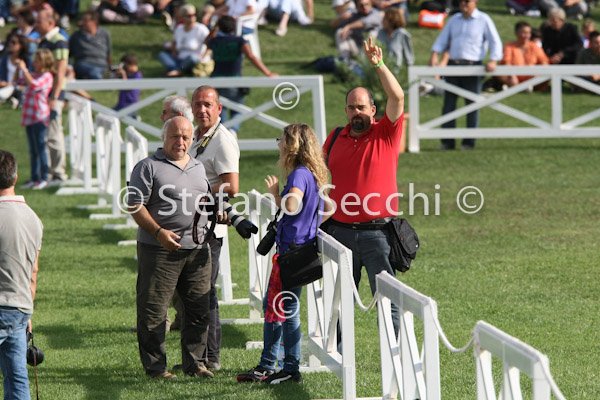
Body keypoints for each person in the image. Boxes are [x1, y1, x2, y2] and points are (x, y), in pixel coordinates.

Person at [323, 37, 404, 334]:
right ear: (346, 111)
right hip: (339, 232)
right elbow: (316, 175)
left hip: (378, 234)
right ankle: (338, 353)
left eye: (361, 107)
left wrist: (378, 64)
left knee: (388, 299)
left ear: (373, 109)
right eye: (351, 108)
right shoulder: (335, 137)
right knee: (339, 301)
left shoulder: (386, 133)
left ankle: (396, 353)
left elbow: (397, 96)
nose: (356, 112)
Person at [237, 123, 328, 384]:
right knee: (282, 307)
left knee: (281, 309)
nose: (279, 145)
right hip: (300, 250)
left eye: (281, 140)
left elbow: (293, 204)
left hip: (290, 253)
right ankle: (278, 364)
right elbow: (326, 210)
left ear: (292, 146)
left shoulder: (299, 175)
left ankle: (281, 366)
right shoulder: (312, 174)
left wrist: (281, 196)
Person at [127, 116, 214, 380]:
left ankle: (196, 364)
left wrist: (219, 215)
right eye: (175, 136)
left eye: (186, 137)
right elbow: (135, 205)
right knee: (154, 310)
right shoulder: (147, 167)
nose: (181, 142)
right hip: (159, 250)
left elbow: (205, 202)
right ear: (164, 137)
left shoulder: (198, 167)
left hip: (197, 250)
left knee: (198, 309)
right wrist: (158, 232)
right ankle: (156, 368)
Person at [188, 85, 240, 370]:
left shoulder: (222, 140)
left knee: (205, 291)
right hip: (193, 225)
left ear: (219, 108)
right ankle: (198, 355)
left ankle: (211, 357)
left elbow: (232, 186)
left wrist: (196, 191)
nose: (202, 109)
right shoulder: (197, 136)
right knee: (194, 291)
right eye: (197, 104)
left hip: (210, 227)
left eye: (208, 104)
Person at [429, 0, 502, 150]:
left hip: (473, 67)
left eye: (467, 1)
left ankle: (468, 142)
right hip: (453, 66)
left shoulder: (483, 19)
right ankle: (447, 142)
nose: (464, 4)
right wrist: (435, 54)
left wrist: (493, 60)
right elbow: (442, 39)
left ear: (475, 2)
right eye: (462, 1)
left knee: (472, 105)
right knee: (449, 105)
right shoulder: (454, 19)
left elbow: (495, 41)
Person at [0, 149, 43, 400]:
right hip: (20, 308)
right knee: (17, 379)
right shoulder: (33, 218)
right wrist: (28, 309)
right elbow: (33, 271)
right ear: (15, 177)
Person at [206, 15, 276, 132]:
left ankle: (224, 133)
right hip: (235, 80)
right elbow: (251, 56)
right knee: (238, 109)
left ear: (219, 27)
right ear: (234, 27)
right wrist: (268, 72)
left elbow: (206, 42)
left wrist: (214, 29)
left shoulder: (215, 41)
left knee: (220, 110)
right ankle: (233, 130)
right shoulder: (239, 41)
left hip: (216, 81)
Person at [36, 8, 69, 185]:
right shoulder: (45, 41)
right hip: (43, 95)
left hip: (52, 95)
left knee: (54, 134)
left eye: (39, 21)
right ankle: (48, 172)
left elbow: (60, 72)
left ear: (50, 22)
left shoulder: (59, 42)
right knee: (45, 135)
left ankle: (58, 173)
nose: (36, 25)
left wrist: (54, 96)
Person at [18, 48, 54, 190]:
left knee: (41, 148)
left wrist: (24, 69)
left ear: (44, 62)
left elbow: (34, 85)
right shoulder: (34, 74)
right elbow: (20, 81)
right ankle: (34, 178)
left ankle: (44, 177)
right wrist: (19, 68)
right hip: (30, 116)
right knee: (33, 150)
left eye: (37, 60)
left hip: (40, 116)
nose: (34, 63)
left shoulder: (47, 76)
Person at [158, 4, 210, 77]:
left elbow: (210, 45)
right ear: (182, 17)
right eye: (189, 16)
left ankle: (177, 71)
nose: (192, 17)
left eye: (194, 15)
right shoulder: (179, 28)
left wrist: (203, 57)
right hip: (179, 58)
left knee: (193, 58)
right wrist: (173, 52)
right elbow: (174, 43)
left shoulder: (201, 29)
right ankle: (178, 69)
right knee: (162, 55)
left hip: (194, 58)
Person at [498, 21, 549, 88]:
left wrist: (537, 73)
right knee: (500, 73)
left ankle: (528, 86)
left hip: (531, 76)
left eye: (528, 33)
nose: (526, 36)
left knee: (546, 73)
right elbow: (506, 62)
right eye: (523, 33)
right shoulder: (509, 46)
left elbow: (544, 61)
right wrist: (512, 75)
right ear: (516, 33)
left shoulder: (534, 46)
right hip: (513, 75)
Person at [68, 10, 112, 80]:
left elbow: (108, 53)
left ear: (94, 22)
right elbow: (68, 53)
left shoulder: (104, 34)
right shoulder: (76, 36)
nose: (82, 23)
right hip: (84, 64)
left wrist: (110, 67)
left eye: (85, 20)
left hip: (102, 65)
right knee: (94, 72)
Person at [0, 33, 29, 108]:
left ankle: (13, 100)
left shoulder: (27, 60)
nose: (10, 44)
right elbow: (2, 76)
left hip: (21, 87)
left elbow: (30, 78)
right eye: (10, 42)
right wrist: (4, 83)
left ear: (21, 45)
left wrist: (23, 68)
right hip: (7, 86)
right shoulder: (5, 58)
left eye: (14, 42)